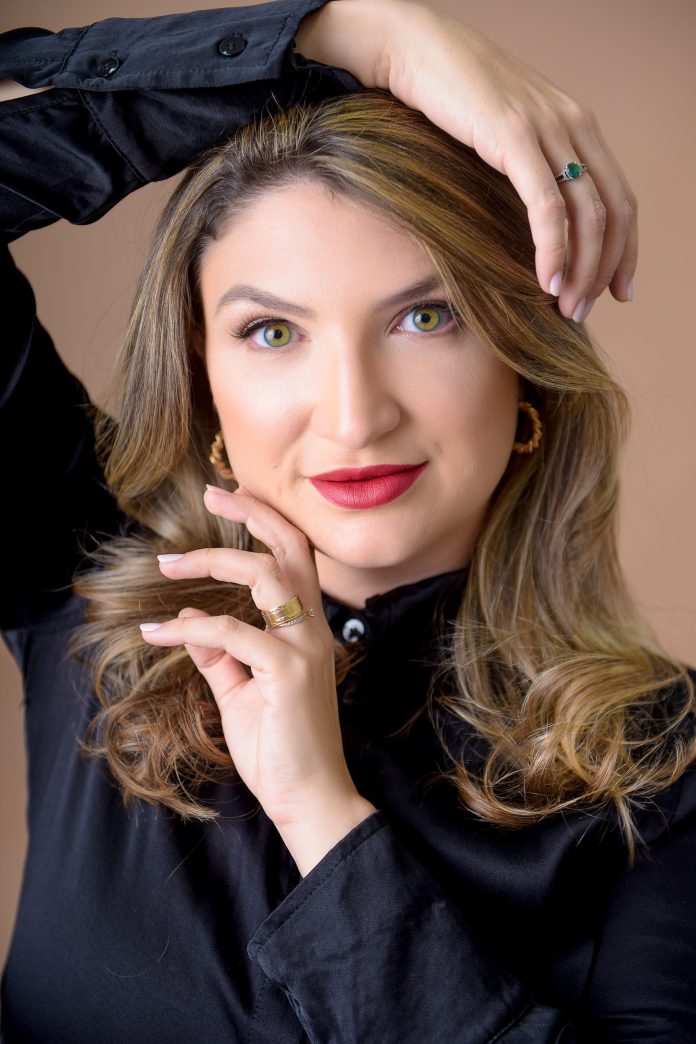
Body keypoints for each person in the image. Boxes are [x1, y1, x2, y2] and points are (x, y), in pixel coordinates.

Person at [1, 2, 694, 1041]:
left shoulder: (665, 766)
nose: (356, 415)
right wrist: (353, 37)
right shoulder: (90, 589)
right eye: (273, 331)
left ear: (525, 367)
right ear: (201, 381)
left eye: (426, 316)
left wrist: (322, 813)